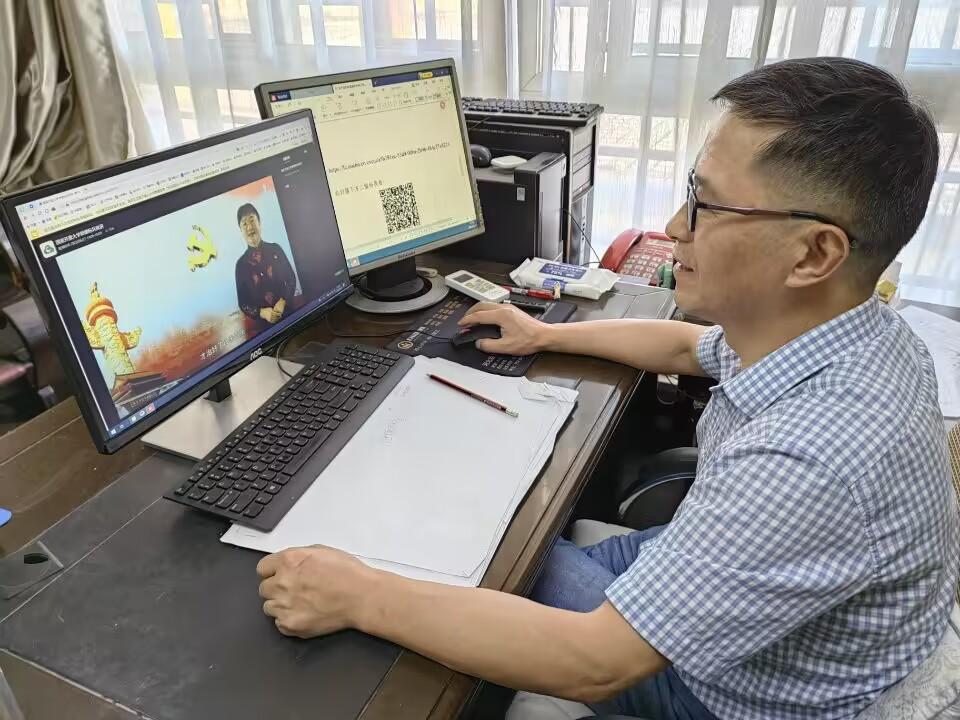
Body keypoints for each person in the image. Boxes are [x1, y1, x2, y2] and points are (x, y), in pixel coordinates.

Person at [256, 58, 960, 719]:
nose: (675, 227)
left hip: (741, 689)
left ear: (814, 253)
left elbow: (595, 663)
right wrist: (542, 335)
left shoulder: (810, 459)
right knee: (490, 554)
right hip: (744, 597)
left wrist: (360, 597)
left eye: (707, 206)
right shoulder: (849, 331)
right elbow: (685, 345)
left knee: (459, 565)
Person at [234, 203, 297, 332]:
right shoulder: (241, 265)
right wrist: (262, 313)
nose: (249, 227)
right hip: (265, 330)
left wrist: (283, 301)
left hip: (290, 317)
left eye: (252, 220)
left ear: (259, 222)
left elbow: (291, 278)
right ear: (240, 230)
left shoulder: (276, 249)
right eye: (244, 224)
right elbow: (243, 303)